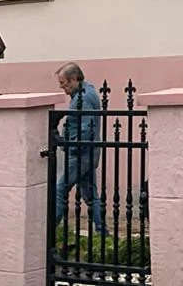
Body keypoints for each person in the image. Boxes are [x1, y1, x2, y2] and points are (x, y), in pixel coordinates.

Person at [54, 62, 105, 235]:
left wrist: (70, 145)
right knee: (90, 195)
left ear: (74, 79)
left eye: (63, 82)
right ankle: (103, 232)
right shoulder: (87, 93)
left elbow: (85, 128)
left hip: (81, 154)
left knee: (60, 189)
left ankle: (51, 230)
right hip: (89, 153)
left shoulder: (82, 98)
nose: (62, 87)